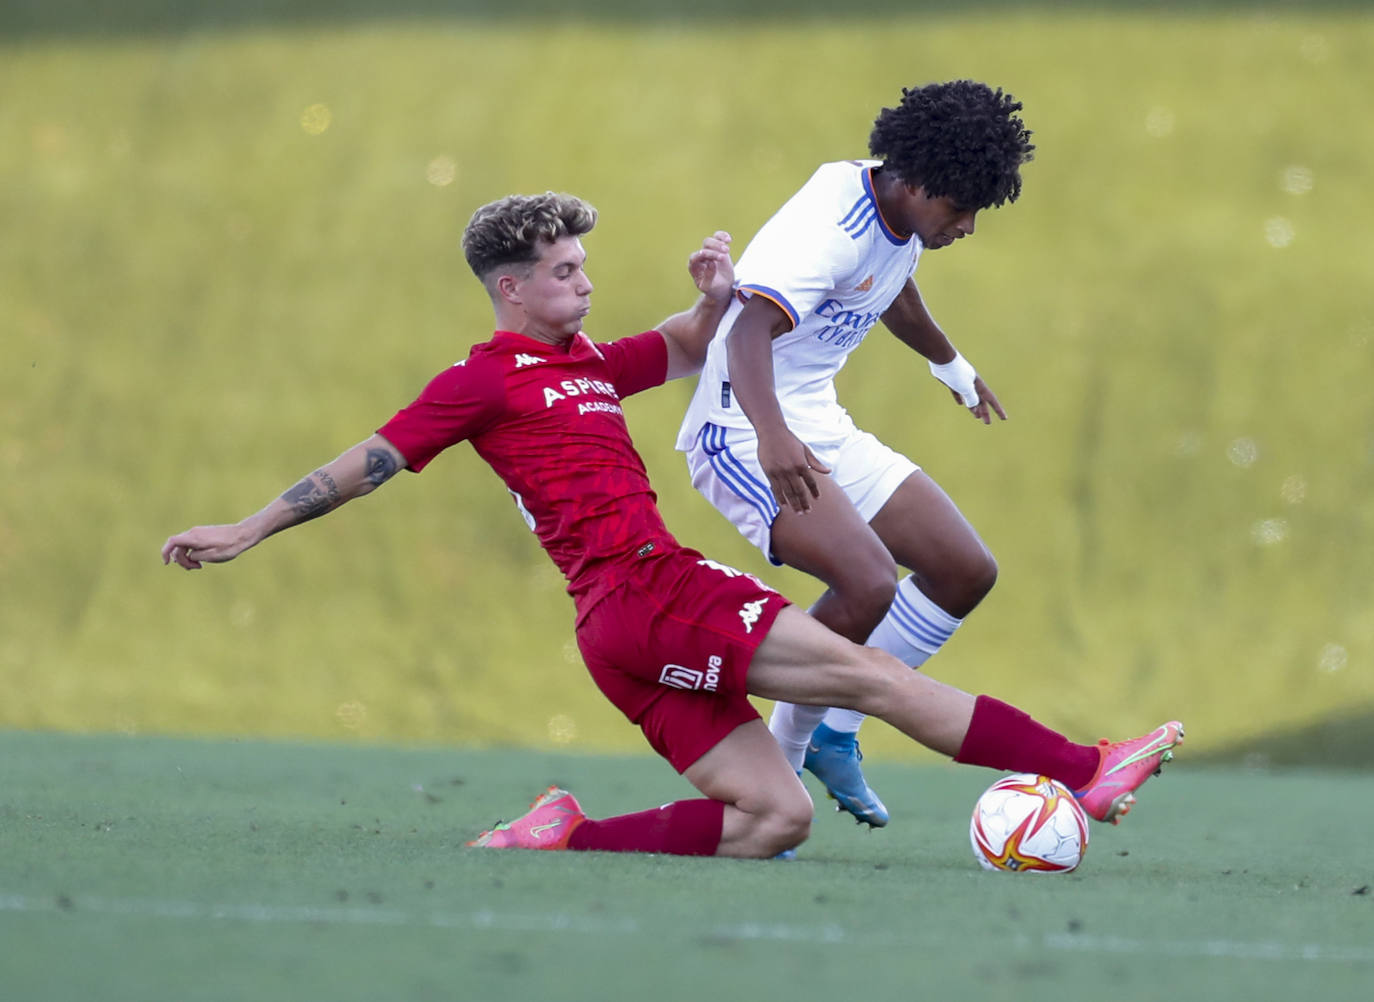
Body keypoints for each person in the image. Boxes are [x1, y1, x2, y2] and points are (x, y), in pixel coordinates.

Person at [162, 192, 1181, 860]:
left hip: (622, 630)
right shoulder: (481, 381)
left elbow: (696, 342)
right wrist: (251, 526)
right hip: (649, 594)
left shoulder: (592, 367)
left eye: (585, 265)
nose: (585, 282)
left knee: (773, 821)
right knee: (877, 679)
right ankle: (1086, 772)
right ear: (510, 289)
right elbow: (370, 461)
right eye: (563, 271)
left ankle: (561, 837)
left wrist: (716, 294)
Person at [677, 80, 1035, 827]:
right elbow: (745, 333)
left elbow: (890, 288)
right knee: (869, 583)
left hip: (817, 423)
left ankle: (833, 735)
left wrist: (951, 366)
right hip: (742, 427)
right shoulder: (828, 229)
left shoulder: (899, 214)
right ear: (914, 180)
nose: (967, 225)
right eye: (959, 208)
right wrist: (774, 440)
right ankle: (782, 754)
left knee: (964, 571)